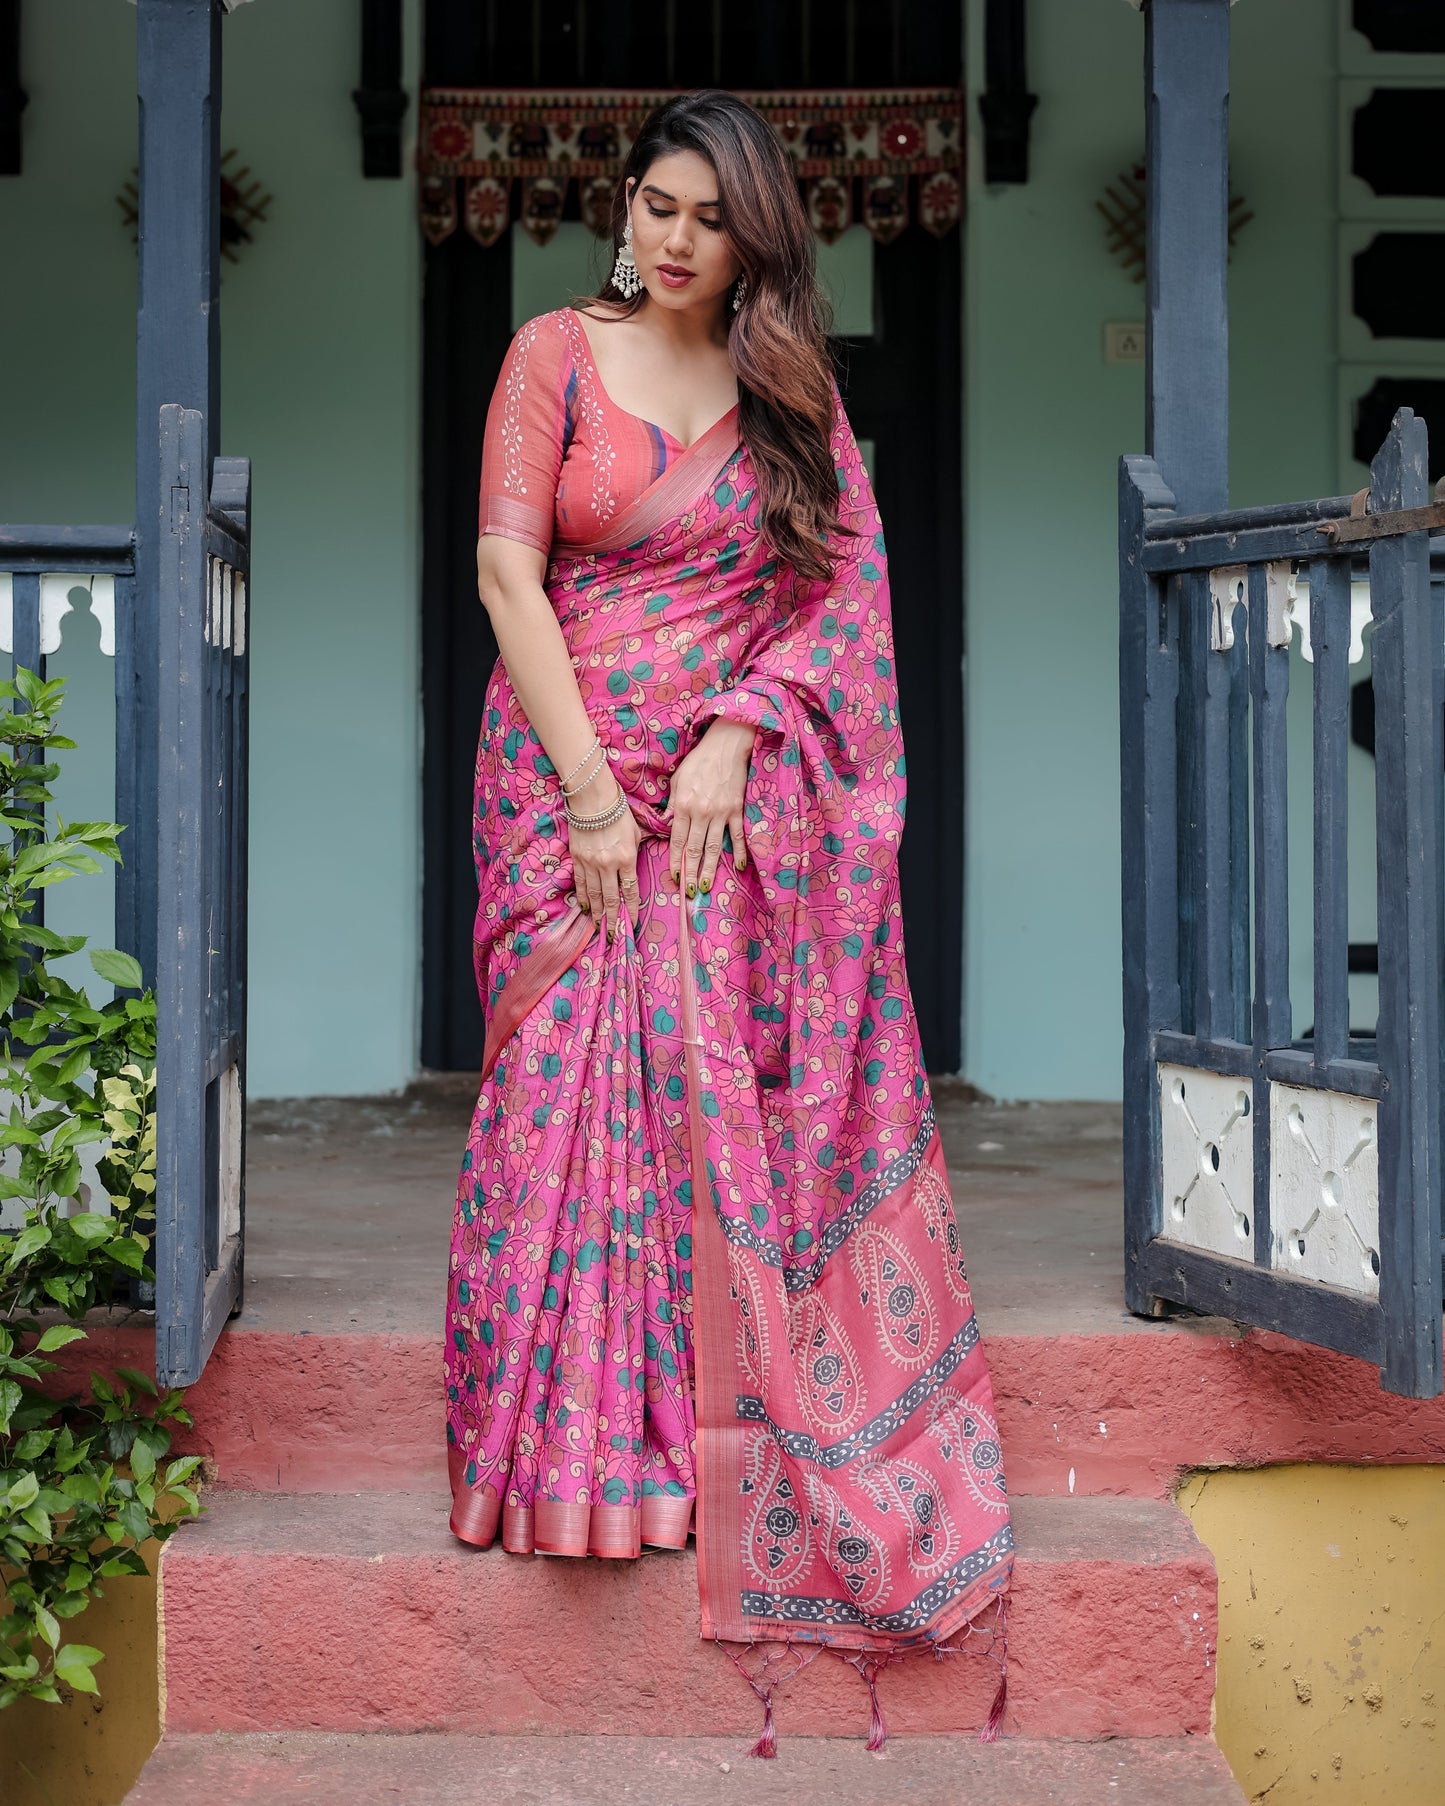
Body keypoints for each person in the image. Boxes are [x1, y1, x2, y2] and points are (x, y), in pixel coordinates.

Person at [444, 89, 1012, 1747]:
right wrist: (595, 792)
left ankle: (680, 1461)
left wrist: (738, 732)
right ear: (621, 208)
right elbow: (505, 575)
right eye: (653, 203)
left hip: (717, 813)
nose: (671, 235)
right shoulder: (552, 351)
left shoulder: (787, 395)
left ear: (753, 228)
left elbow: (843, 591)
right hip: (566, 795)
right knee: (559, 1108)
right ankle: (555, 1463)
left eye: (706, 212)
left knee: (700, 1125)